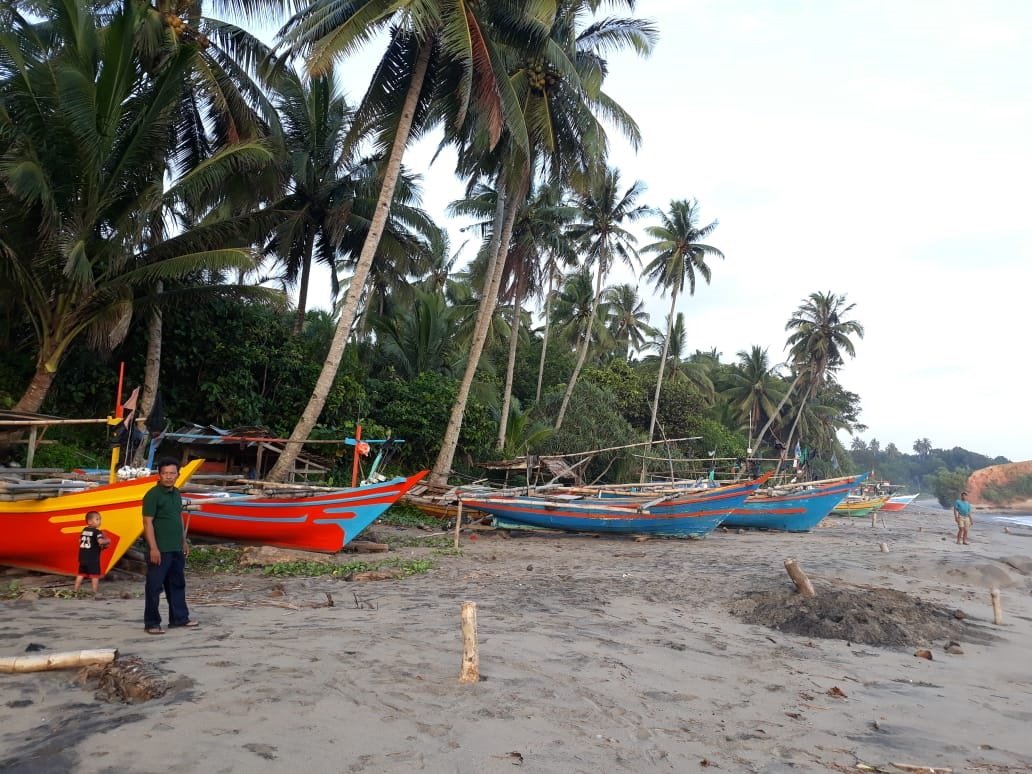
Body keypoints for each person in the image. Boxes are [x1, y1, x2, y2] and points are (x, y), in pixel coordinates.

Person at [142, 458, 198, 634]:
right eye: (165, 473)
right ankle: (152, 623)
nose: (168, 477)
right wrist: (153, 548)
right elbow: (147, 523)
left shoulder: (176, 494)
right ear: (159, 475)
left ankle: (179, 618)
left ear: (177, 475)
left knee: (177, 584)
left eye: (172, 473)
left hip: (175, 548)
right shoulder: (152, 495)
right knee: (154, 587)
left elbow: (177, 518)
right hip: (160, 549)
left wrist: (183, 540)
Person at [74, 510, 110, 595]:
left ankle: (75, 590)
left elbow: (80, 540)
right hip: (92, 558)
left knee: (81, 574)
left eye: (99, 519)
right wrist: (107, 541)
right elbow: (100, 542)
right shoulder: (97, 532)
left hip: (82, 557)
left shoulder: (84, 530)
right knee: (95, 575)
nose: (99, 521)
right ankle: (94, 591)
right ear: (90, 521)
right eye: (97, 519)